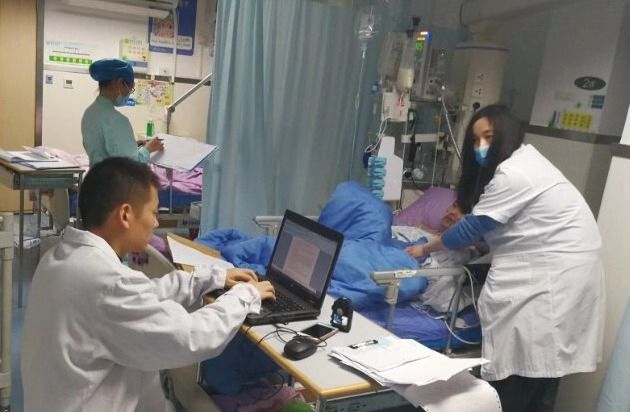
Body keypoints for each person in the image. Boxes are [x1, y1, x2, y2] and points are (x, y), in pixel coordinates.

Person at [21, 157, 276, 411]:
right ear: (125, 215)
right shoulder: (105, 281)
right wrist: (245, 295)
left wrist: (210, 279)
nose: (156, 223)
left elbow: (144, 295)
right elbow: (192, 336)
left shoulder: (62, 257)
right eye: (153, 213)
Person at [406, 104, 604, 412]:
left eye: (488, 136)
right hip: (562, 274)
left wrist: (423, 249)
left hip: (551, 282)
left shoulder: (514, 173)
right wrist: (476, 250)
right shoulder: (529, 165)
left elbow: (469, 228)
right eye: (475, 140)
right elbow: (511, 231)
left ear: (508, 135)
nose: (481, 146)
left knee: (521, 380)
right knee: (539, 381)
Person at [82, 58, 164, 166]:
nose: (129, 93)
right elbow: (132, 163)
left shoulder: (89, 113)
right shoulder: (117, 121)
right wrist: (149, 148)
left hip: (96, 173)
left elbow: (106, 149)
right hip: (113, 176)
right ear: (120, 83)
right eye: (130, 88)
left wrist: (132, 146)